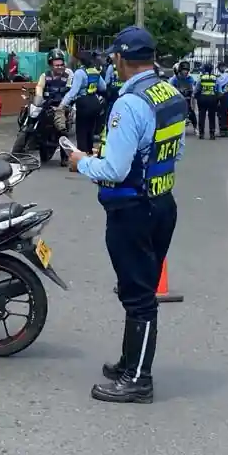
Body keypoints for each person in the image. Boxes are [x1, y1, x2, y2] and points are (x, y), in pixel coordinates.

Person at [64, 26, 186, 404]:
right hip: (162, 203)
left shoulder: (130, 103)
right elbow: (175, 153)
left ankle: (137, 380)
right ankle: (128, 364)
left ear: (120, 58)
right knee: (140, 290)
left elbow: (114, 170)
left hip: (133, 208)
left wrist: (82, 162)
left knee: (138, 296)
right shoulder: (171, 94)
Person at [61, 52, 107, 153]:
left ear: (80, 61)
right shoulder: (95, 71)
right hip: (95, 103)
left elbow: (73, 92)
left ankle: (82, 154)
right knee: (90, 129)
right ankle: (89, 151)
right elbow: (103, 87)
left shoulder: (79, 73)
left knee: (81, 130)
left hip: (83, 103)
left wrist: (62, 104)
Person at [34, 50, 72, 164]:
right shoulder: (45, 75)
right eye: (57, 65)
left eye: (61, 64)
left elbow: (71, 90)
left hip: (61, 106)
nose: (59, 67)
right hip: (47, 104)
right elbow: (39, 86)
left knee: (62, 129)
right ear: (51, 65)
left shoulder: (68, 75)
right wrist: (39, 97)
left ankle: (64, 157)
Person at [169, 61, 198, 132]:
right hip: (177, 98)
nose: (185, 72)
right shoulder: (174, 79)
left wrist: (191, 92)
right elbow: (170, 88)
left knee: (191, 112)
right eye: (184, 70)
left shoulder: (189, 78)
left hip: (186, 97)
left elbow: (193, 88)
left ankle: (195, 128)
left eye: (186, 70)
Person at [195, 63, 220, 140]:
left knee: (201, 116)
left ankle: (201, 133)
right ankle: (212, 134)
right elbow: (217, 89)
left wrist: (195, 96)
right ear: (211, 69)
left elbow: (197, 89)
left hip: (202, 99)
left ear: (204, 69)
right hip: (212, 99)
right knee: (212, 116)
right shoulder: (215, 78)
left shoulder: (201, 78)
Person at [216, 65, 228, 138]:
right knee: (223, 113)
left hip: (223, 95)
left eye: (219, 68)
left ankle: (223, 131)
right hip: (227, 94)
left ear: (222, 67)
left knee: (222, 113)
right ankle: (224, 131)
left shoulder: (226, 75)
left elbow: (220, 83)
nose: (219, 70)